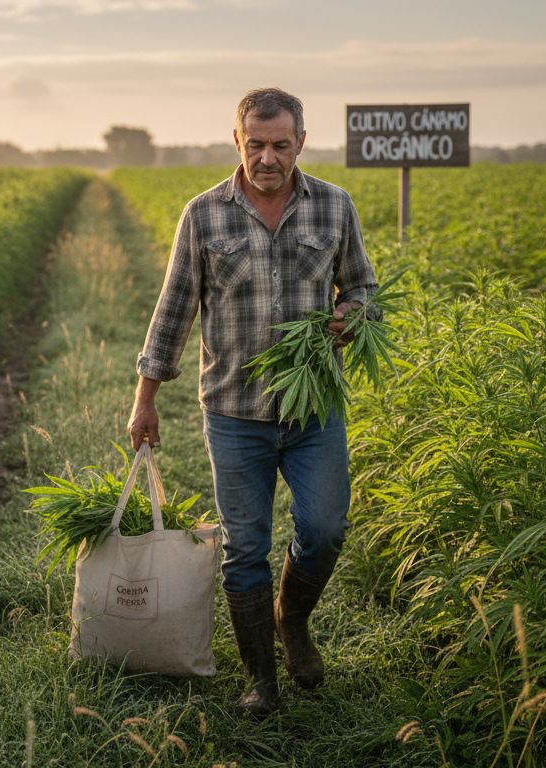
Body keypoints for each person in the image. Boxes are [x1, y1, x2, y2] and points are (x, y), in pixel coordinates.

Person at [128, 87, 379, 718]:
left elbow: (365, 288)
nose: (268, 157)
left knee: (324, 530)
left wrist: (352, 313)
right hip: (235, 412)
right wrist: (145, 400)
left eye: (281, 145)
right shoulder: (204, 215)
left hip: (314, 409)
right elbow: (174, 311)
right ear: (237, 141)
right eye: (256, 144)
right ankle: (260, 680)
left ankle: (291, 622)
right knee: (246, 548)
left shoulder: (333, 206)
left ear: (301, 142)